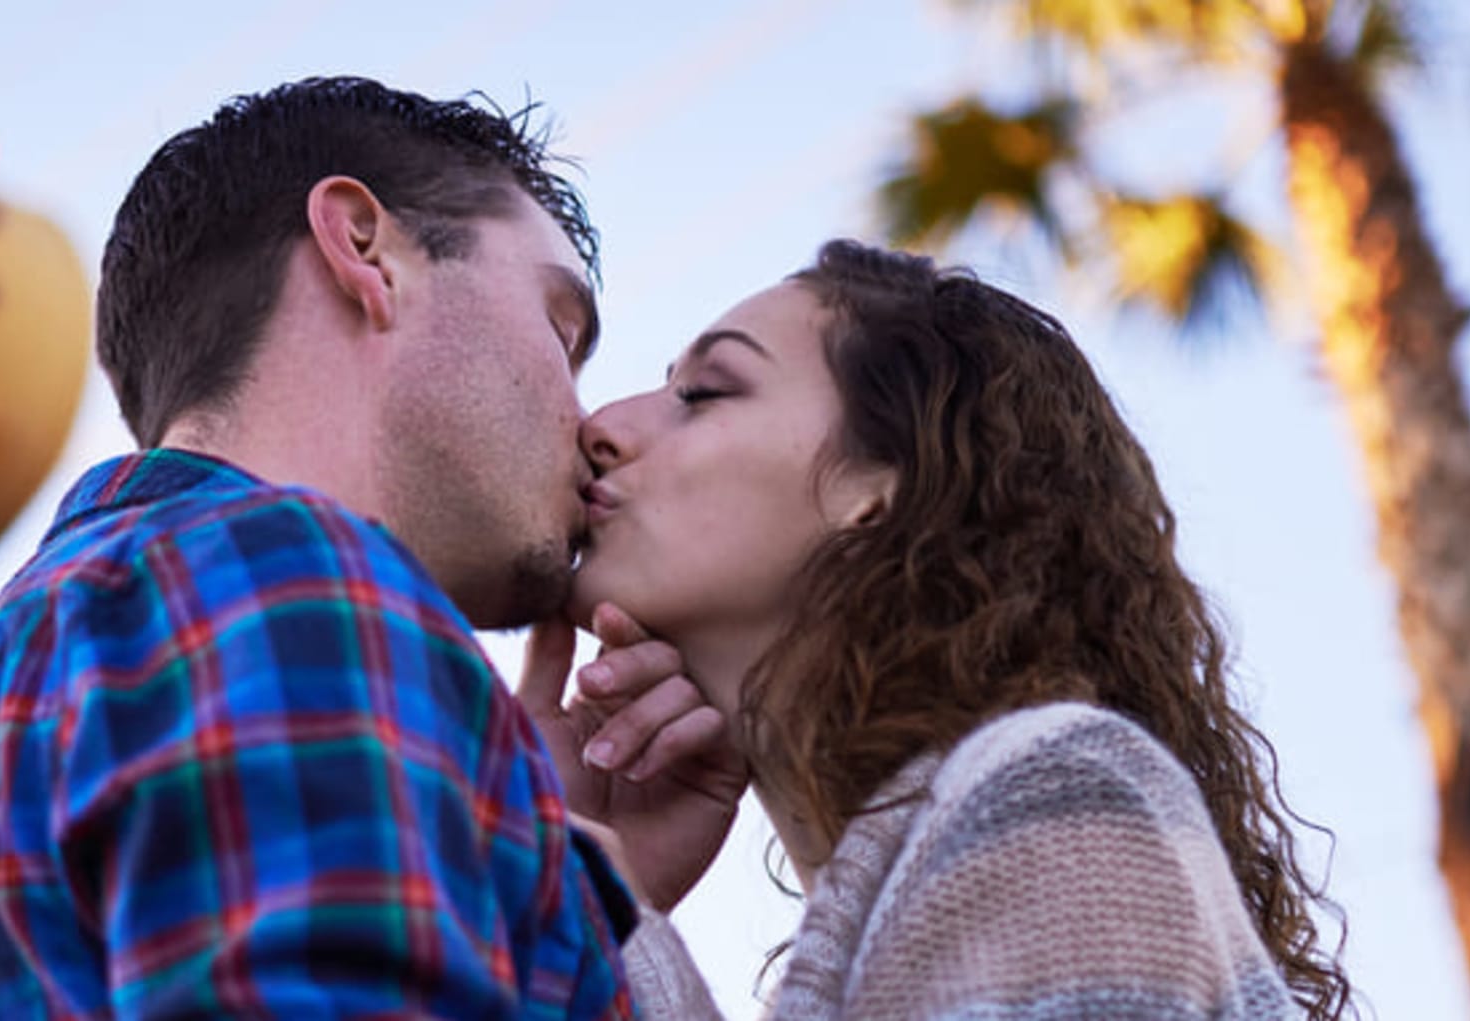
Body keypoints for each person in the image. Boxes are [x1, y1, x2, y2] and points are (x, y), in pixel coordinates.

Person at [0, 76, 714, 1018]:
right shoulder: (286, 575)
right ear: (364, 248)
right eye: (561, 325)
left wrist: (568, 890)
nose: (588, 423)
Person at [534, 241, 1356, 1020]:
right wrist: (597, 894)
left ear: (881, 490)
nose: (603, 423)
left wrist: (603, 916)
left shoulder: (1057, 788)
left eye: (704, 394)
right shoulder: (961, 852)